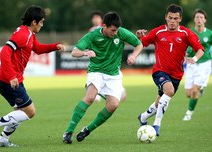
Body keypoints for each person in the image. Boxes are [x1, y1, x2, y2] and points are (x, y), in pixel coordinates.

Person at [0, 5, 66, 147]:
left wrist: (55, 46)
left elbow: (38, 49)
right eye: (41, 21)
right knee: (30, 111)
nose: (42, 24)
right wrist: (11, 76)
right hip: (8, 80)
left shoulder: (29, 34)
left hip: (10, 79)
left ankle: (3, 140)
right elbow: (5, 52)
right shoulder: (23, 34)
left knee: (19, 113)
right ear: (34, 22)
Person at [63, 12, 143, 144]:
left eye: (117, 30)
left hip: (113, 75)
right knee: (90, 97)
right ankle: (69, 131)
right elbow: (74, 52)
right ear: (104, 26)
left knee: (113, 105)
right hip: (96, 72)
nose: (115, 33)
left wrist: (134, 56)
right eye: (112, 30)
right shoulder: (92, 35)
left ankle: (87, 130)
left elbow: (138, 44)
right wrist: (85, 52)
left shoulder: (121, 32)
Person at [136, 4, 204, 136]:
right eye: (170, 18)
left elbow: (200, 49)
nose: (172, 21)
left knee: (160, 102)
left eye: (175, 18)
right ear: (166, 17)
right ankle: (157, 124)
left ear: (180, 19)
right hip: (159, 71)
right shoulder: (158, 32)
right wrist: (138, 37)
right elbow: (142, 43)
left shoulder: (186, 33)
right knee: (169, 91)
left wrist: (194, 59)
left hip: (177, 75)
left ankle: (143, 117)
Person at [88, 11, 127, 102]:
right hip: (98, 61)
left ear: (102, 20)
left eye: (97, 17)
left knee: (113, 76)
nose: (95, 20)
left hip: (110, 61)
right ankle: (98, 94)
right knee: (97, 78)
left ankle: (120, 90)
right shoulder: (92, 30)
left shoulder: (110, 29)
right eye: (94, 18)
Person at [183, 9, 212, 121]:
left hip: (205, 64)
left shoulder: (209, 34)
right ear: (194, 20)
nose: (199, 19)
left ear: (205, 20)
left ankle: (189, 113)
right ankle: (201, 90)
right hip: (191, 64)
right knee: (188, 94)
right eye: (197, 17)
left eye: (201, 17)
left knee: (194, 90)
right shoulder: (189, 33)